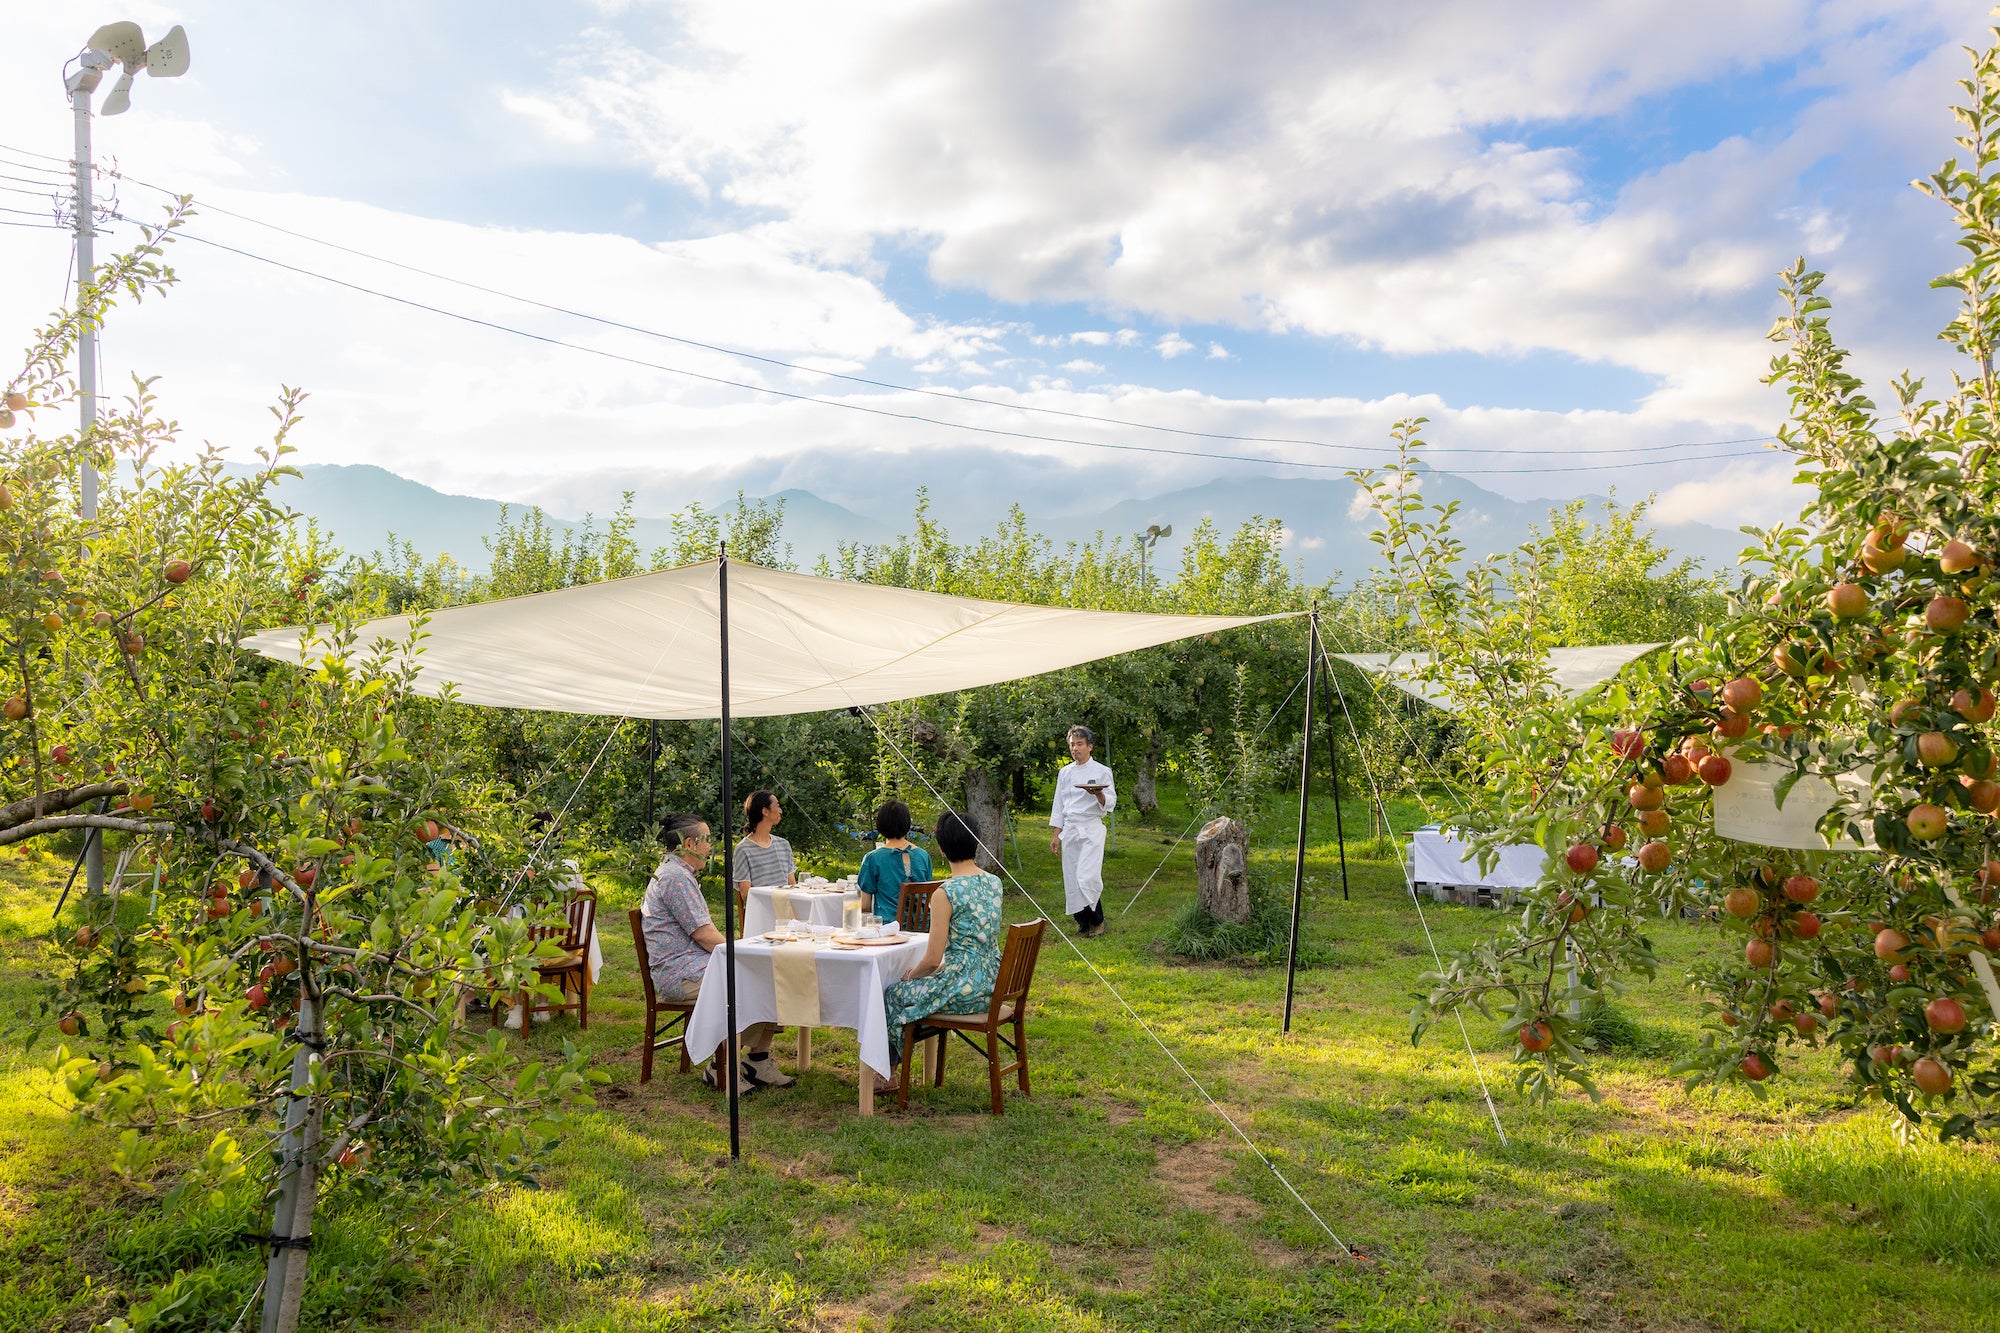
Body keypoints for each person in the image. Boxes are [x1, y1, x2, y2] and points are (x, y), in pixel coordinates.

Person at [639, 812, 793, 1092]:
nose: (710, 847)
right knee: (758, 979)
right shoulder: (675, 878)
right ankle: (722, 1067)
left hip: (693, 965)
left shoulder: (676, 873)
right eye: (706, 840)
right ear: (689, 843)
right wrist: (744, 954)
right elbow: (705, 936)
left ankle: (756, 1060)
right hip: (681, 975)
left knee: (770, 975)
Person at [877, 810, 1003, 1092]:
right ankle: (897, 1064)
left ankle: (887, 1076)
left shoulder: (946, 893)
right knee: (913, 992)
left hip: (963, 989)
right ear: (977, 843)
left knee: (893, 994)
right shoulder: (994, 883)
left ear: (942, 848)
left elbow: (933, 960)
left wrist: (911, 976)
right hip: (994, 985)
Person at [1049, 724, 1115, 936]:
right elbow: (1059, 805)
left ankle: (1098, 921)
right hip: (1070, 830)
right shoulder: (1065, 772)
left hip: (1091, 829)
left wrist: (1098, 794)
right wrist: (1056, 835)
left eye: (1079, 744)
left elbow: (1110, 802)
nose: (1075, 748)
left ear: (1090, 746)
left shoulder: (1102, 772)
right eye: (1072, 745)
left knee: (1087, 876)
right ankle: (1083, 923)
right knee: (1072, 879)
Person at [857, 799, 934, 926]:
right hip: (922, 928)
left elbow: (864, 906)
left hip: (889, 928)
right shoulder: (923, 856)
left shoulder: (873, 858)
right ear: (907, 824)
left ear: (880, 825)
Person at [733, 789, 796, 903]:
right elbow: (747, 895)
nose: (780, 811)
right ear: (765, 811)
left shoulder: (783, 845)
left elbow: (792, 886)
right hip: (762, 913)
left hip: (787, 911)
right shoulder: (743, 849)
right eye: (777, 806)